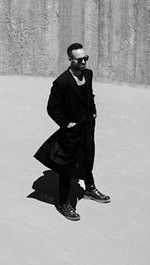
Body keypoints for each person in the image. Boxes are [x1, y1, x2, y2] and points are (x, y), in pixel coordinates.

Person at [34, 42, 110, 221]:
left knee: (88, 156)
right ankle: (63, 203)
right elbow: (52, 107)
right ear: (70, 60)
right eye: (79, 59)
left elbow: (89, 95)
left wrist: (93, 112)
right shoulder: (62, 82)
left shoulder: (88, 75)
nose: (83, 62)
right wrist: (66, 124)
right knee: (67, 166)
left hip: (88, 126)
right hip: (72, 130)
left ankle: (90, 189)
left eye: (85, 58)